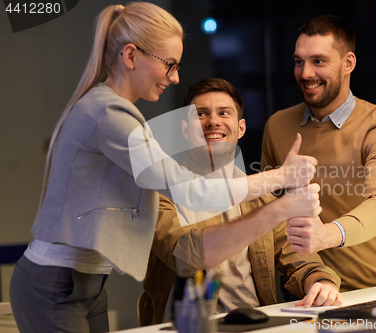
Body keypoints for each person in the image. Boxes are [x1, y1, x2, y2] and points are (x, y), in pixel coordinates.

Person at [9, 4, 318, 332]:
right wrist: (281, 179)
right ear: (131, 56)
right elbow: (192, 194)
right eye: (169, 65)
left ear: (241, 127)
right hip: (56, 282)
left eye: (224, 114)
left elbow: (293, 253)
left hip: (86, 281)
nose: (175, 77)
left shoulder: (117, 113)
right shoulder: (108, 115)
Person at [139, 78, 342, 326]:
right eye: (200, 114)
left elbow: (297, 257)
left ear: (241, 128)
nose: (213, 121)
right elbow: (187, 257)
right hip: (187, 327)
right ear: (184, 130)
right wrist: (282, 201)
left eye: (224, 113)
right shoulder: (160, 192)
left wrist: (321, 282)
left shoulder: (260, 196)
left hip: (256, 323)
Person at [261, 15, 376, 293]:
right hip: (302, 292)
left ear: (348, 63)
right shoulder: (277, 126)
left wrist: (325, 235)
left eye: (318, 61)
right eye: (299, 61)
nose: (305, 74)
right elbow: (270, 215)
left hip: (371, 289)